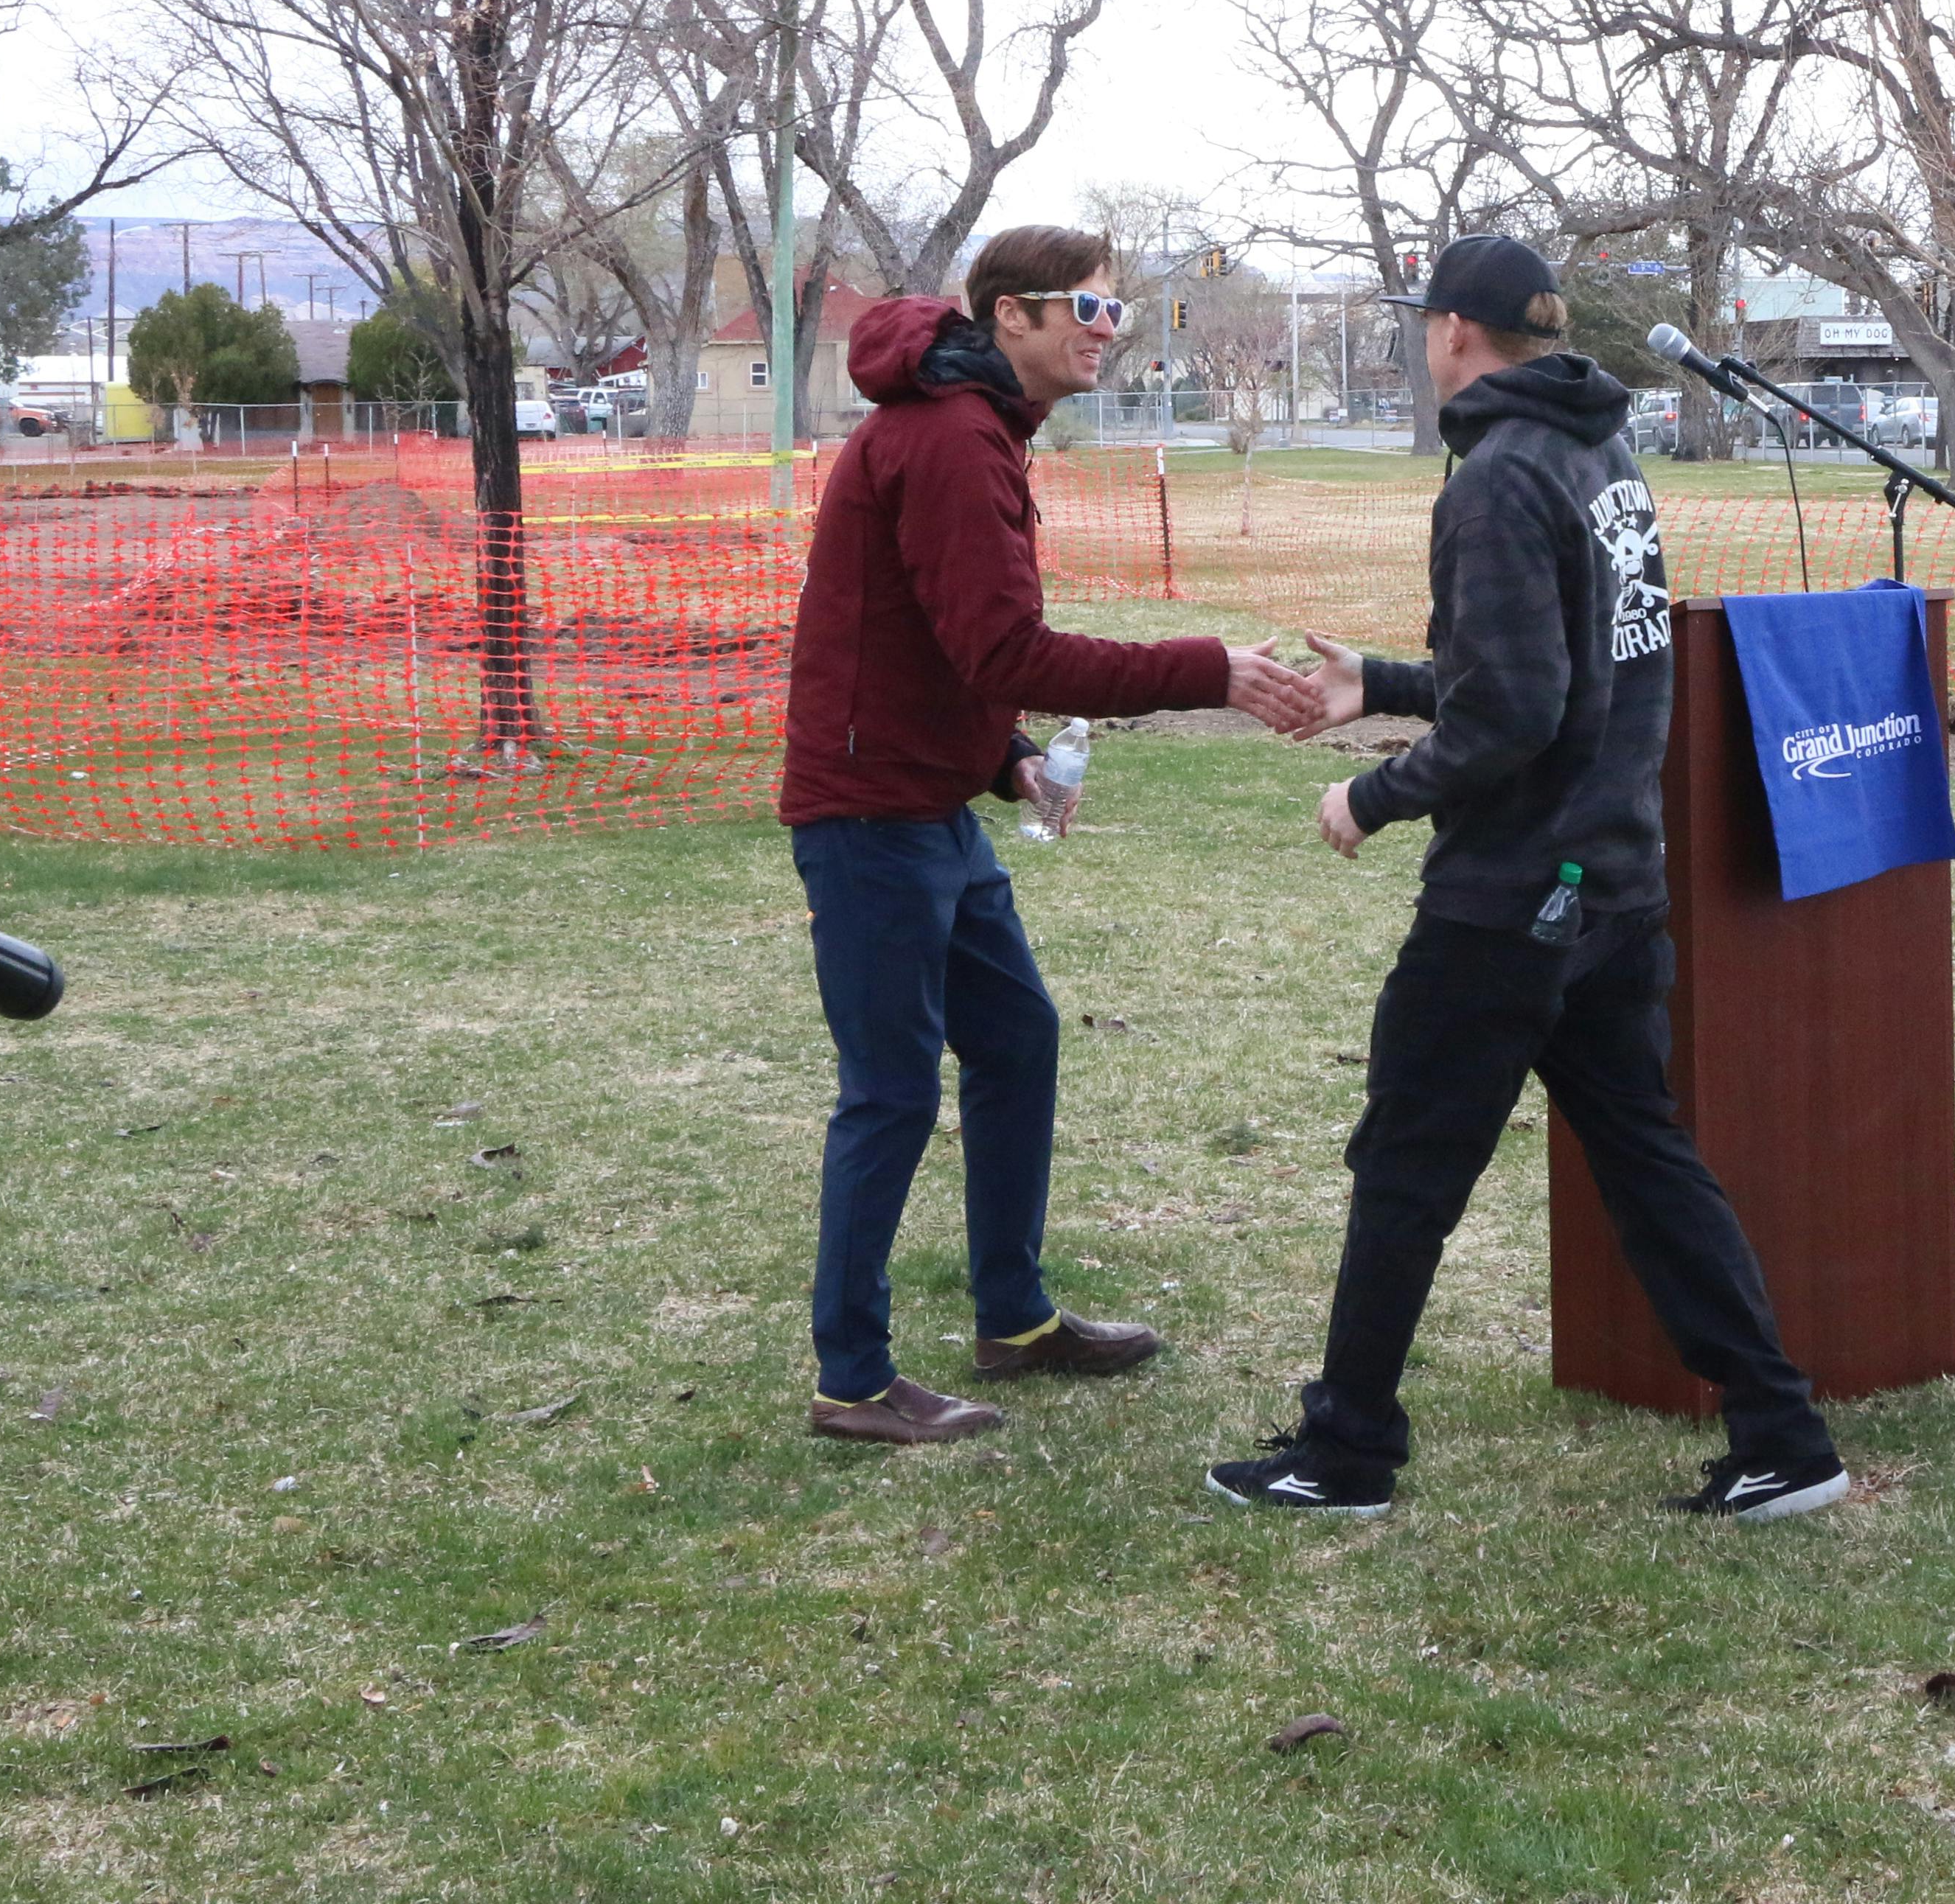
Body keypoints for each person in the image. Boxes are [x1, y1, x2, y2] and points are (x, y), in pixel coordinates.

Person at [1208, 233, 1850, 1523]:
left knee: (1405, 1164)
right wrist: (1381, 685)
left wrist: (1371, 795)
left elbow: (1512, 711)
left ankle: (1345, 1454)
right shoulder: (1599, 449)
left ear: (1454, 331)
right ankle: (1786, 1439)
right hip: (1611, 879)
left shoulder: (1498, 478)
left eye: (1423, 327)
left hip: (1512, 899)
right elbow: (1550, 672)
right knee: (1646, 1154)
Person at [783, 224, 1324, 1446]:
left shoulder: (977, 427)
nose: (1106, 333)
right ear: (1008, 317)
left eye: (1114, 314)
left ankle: (1014, 1321)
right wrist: (1209, 672)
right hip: (871, 814)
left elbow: (931, 645)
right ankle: (852, 1381)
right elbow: (1005, 651)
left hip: (929, 800)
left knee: (1016, 1037)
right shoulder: (947, 437)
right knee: (889, 1092)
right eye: (1087, 310)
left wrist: (1004, 756)